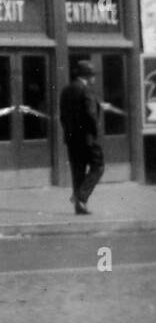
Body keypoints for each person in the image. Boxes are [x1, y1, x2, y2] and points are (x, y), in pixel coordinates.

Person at [59, 60, 104, 214]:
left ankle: (79, 206)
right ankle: (80, 196)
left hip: (72, 138)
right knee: (98, 166)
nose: (94, 78)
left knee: (77, 170)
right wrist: (95, 133)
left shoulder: (66, 90)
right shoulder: (86, 91)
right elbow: (91, 115)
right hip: (87, 138)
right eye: (93, 75)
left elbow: (63, 116)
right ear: (88, 76)